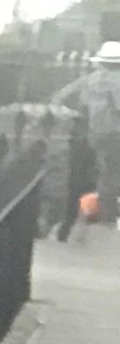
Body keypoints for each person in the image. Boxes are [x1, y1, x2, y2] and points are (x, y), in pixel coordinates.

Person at [51, 42, 120, 222]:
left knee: (103, 172)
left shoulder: (89, 80)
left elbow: (60, 98)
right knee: (111, 173)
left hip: (94, 133)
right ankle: (107, 215)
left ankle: (94, 211)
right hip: (116, 132)